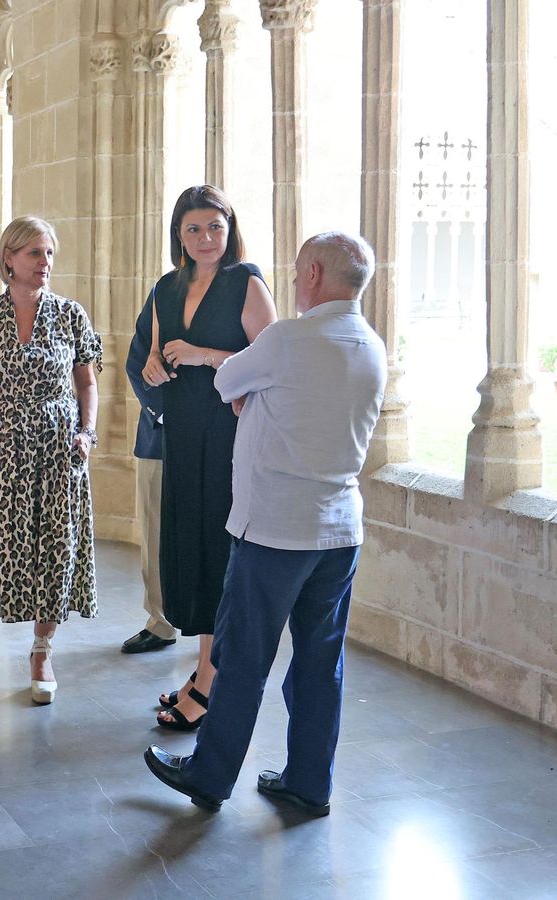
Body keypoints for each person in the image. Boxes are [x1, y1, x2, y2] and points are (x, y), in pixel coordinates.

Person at [144, 232, 387, 816]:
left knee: (242, 656)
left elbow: (228, 383)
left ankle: (209, 774)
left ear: (314, 276)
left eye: (301, 270)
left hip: (276, 528)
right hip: (339, 530)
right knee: (319, 661)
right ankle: (309, 782)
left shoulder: (288, 339)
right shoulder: (372, 345)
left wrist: (253, 401)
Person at [0, 215, 102, 706]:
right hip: (2, 450)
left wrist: (87, 431)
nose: (45, 263)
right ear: (9, 259)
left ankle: (42, 649)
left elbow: (87, 381)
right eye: (35, 253)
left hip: (59, 451)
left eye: (49, 253)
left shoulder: (71, 315)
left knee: (56, 546)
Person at [140, 185, 276, 730]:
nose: (205, 239)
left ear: (230, 228)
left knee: (219, 554)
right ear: (178, 233)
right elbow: (152, 355)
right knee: (192, 551)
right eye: (193, 229)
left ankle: (211, 681)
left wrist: (203, 356)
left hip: (229, 434)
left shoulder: (245, 281)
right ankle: (202, 672)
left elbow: (271, 359)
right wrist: (155, 368)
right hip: (183, 434)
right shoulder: (165, 288)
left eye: (214, 227)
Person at [120, 287, 174, 655]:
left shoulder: (240, 291)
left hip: (218, 435)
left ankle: (215, 630)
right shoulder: (164, 292)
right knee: (155, 530)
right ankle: (161, 622)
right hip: (160, 433)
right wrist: (170, 414)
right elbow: (136, 360)